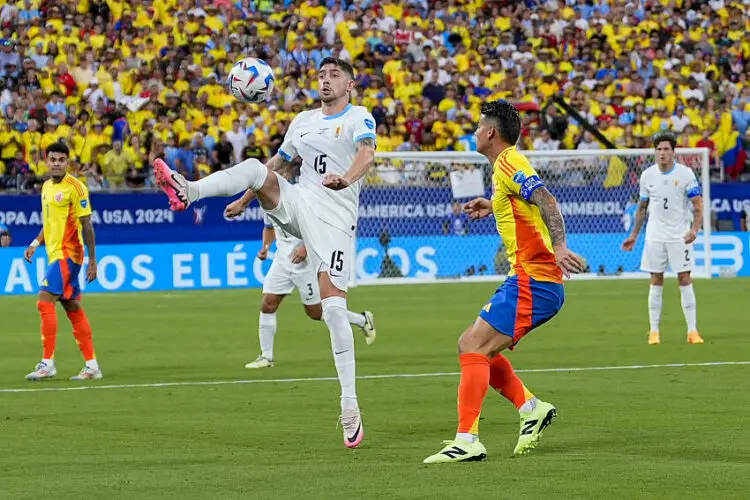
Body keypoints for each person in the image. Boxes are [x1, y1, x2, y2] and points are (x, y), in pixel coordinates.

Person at [152, 57, 377, 448]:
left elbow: (367, 154)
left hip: (336, 221)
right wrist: (245, 198)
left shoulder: (359, 116)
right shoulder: (303, 121)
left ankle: (349, 404)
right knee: (257, 166)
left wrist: (348, 178)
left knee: (333, 312)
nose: (326, 81)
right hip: (300, 204)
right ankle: (190, 191)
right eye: (321, 75)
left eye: (334, 75)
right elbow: (279, 164)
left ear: (350, 84)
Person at [423, 101, 585, 464]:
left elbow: (546, 199)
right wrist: (493, 203)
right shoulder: (502, 171)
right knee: (474, 345)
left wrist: (559, 245)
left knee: (472, 348)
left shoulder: (511, 161)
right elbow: (523, 203)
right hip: (530, 279)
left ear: (491, 133)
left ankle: (467, 440)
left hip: (535, 279)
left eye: (479, 126)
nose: (475, 132)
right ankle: (531, 408)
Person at [227, 210, 376, 368]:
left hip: (306, 264)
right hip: (282, 262)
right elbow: (268, 227)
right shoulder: (269, 203)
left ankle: (362, 320)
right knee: (268, 303)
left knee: (315, 312)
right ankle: (266, 357)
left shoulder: (300, 200)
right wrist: (265, 247)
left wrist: (305, 248)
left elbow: (319, 227)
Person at [23, 142, 102, 381]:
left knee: (45, 298)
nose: (56, 163)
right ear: (46, 161)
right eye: (53, 159)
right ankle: (92, 366)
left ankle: (47, 363)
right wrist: (35, 244)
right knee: (72, 306)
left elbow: (87, 226)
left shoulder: (76, 188)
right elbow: (49, 224)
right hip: (54, 253)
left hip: (70, 253)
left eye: (61, 159)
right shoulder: (46, 187)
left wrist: (92, 261)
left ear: (67, 163)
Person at [622, 133, 704, 345]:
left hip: (679, 236)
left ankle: (692, 331)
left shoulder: (686, 174)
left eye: (666, 149)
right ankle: (654, 331)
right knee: (655, 280)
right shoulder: (647, 176)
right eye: (659, 149)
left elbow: (697, 205)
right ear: (655, 152)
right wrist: (633, 235)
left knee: (684, 279)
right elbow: (641, 209)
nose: (662, 153)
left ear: (673, 152)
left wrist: (695, 229)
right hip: (655, 236)